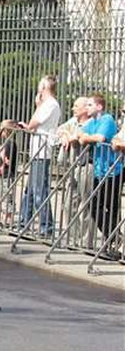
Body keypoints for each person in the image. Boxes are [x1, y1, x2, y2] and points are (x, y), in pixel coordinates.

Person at [79, 94, 122, 258]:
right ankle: (114, 236)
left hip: (112, 171)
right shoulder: (93, 122)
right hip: (99, 170)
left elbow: (100, 138)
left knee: (110, 208)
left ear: (99, 107)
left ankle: (112, 243)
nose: (87, 107)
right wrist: (84, 137)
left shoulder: (107, 119)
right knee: (94, 204)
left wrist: (86, 138)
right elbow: (80, 134)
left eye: (90, 105)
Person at [18, 75, 62, 234]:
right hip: (36, 150)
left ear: (44, 88)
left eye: (40, 86)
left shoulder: (50, 104)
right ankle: (23, 221)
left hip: (42, 151)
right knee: (29, 190)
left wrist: (37, 106)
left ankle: (46, 226)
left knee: (39, 190)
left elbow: (33, 123)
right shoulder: (48, 104)